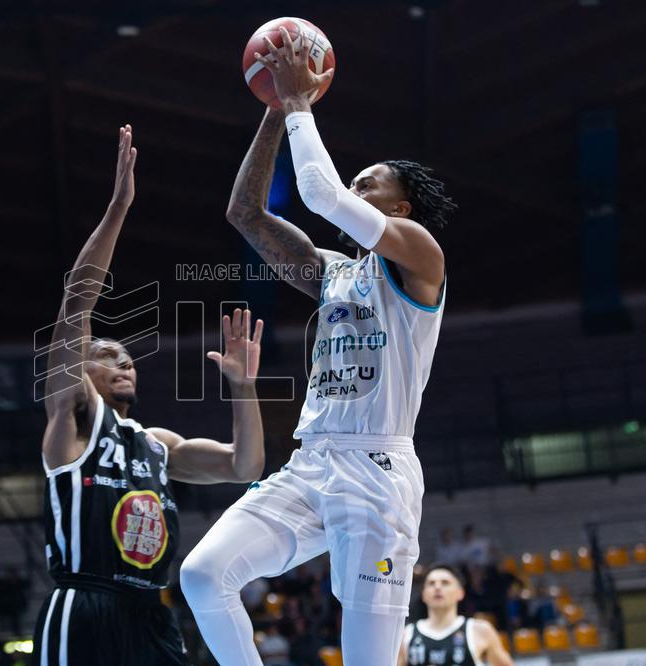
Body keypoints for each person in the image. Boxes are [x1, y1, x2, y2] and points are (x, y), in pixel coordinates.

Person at [180, 28, 455, 665]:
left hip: (378, 476)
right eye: (356, 184)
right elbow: (245, 214)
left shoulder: (420, 257)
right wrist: (276, 113)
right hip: (310, 466)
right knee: (202, 575)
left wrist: (302, 103)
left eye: (369, 185)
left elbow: (321, 195)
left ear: (402, 206)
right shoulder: (334, 271)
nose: (355, 193)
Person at [35, 124, 267, 666]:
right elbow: (76, 305)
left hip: (151, 612)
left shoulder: (157, 443)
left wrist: (243, 387)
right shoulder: (73, 420)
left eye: (129, 360)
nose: (123, 364)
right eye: (107, 355)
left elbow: (245, 466)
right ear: (79, 369)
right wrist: (118, 207)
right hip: (85, 603)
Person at [399, 565, 513, 666]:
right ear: (423, 594)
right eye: (431, 583)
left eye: (445, 583)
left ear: (460, 592)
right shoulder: (405, 635)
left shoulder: (480, 630)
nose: (437, 587)